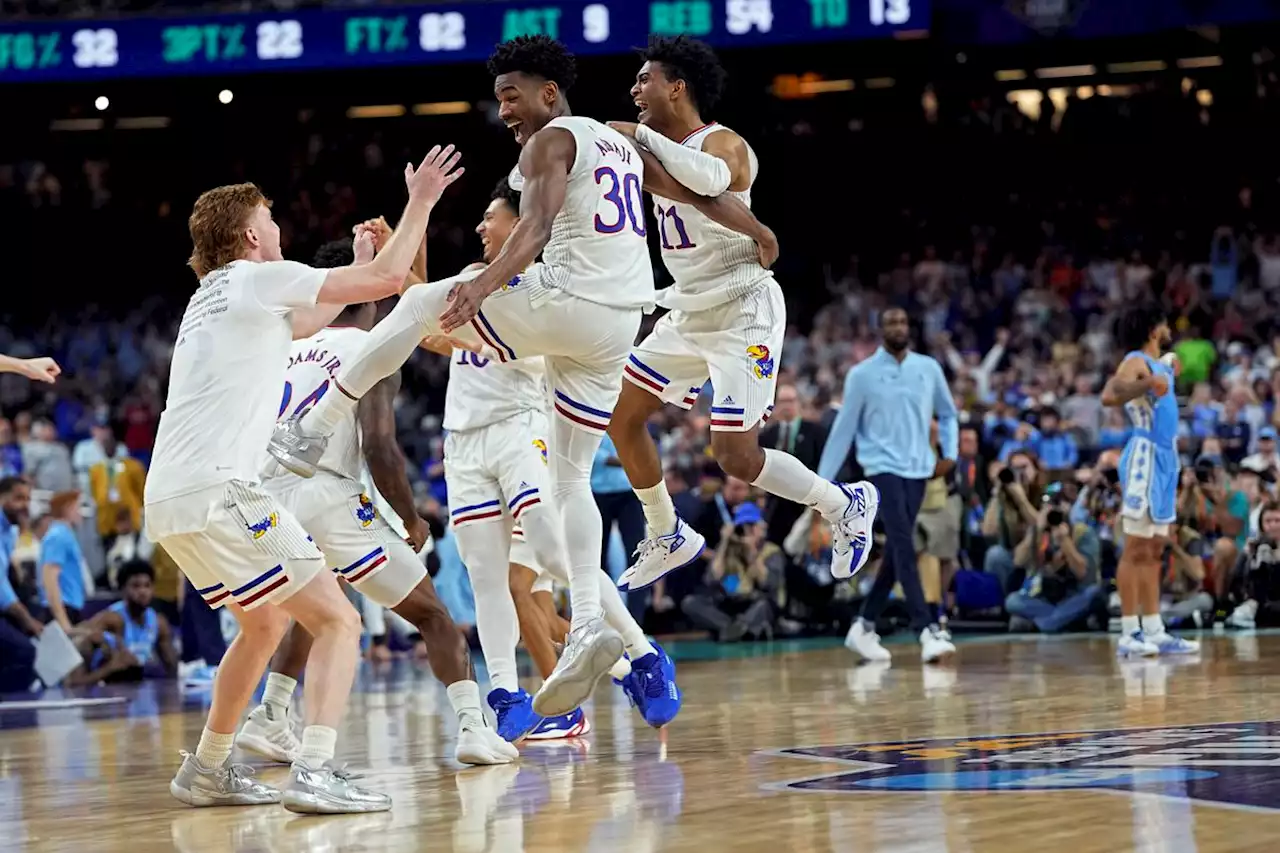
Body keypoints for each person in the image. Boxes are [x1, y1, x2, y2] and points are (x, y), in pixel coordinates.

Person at [268, 35, 772, 719]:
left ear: (549, 91)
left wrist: (482, 288)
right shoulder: (617, 141)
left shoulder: (551, 143)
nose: (503, 108)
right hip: (616, 325)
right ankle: (580, 633)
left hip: (564, 311)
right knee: (554, 498)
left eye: (512, 94)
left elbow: (531, 229)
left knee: (422, 304)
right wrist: (755, 229)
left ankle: (317, 424)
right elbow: (689, 189)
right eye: (498, 95)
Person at [145, 150, 461, 813]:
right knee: (339, 621)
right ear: (252, 236)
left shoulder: (213, 298)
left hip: (171, 497)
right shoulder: (255, 280)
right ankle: (315, 770)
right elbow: (385, 279)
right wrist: (422, 201)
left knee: (262, 626)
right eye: (270, 217)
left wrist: (353, 255)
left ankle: (206, 769)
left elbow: (325, 312)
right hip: (224, 488)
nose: (278, 224)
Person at [602, 36, 876, 592]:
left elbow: (709, 183)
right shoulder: (650, 149)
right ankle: (665, 530)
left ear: (677, 87)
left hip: (742, 305)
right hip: (689, 307)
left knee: (734, 455)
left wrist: (642, 139)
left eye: (644, 79)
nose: (633, 90)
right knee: (621, 417)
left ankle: (842, 503)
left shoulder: (725, 142)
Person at [234, 232, 515, 769]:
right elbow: (381, 446)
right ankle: (474, 728)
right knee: (432, 614)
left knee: (318, 603)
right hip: (326, 490)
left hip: (265, 498)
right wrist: (409, 518)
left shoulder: (285, 349)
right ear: (371, 294)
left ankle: (269, 715)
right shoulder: (369, 347)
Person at [419, 179, 679, 739]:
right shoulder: (472, 279)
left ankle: (643, 656)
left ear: (522, 224)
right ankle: (508, 695)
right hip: (462, 440)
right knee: (487, 575)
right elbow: (426, 324)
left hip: (522, 428)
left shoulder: (548, 288)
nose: (480, 227)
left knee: (557, 557)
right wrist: (412, 225)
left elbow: (440, 330)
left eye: (491, 217)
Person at [818, 307, 958, 663]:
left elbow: (948, 413)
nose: (899, 327)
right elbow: (844, 429)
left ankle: (863, 625)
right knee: (903, 542)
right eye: (892, 322)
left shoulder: (928, 368)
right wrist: (819, 484)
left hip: (920, 469)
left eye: (903, 321)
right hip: (880, 468)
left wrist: (952, 453)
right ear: (880, 330)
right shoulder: (861, 375)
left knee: (899, 550)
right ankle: (926, 629)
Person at [1101, 304, 1198, 657]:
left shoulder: (1158, 362)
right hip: (1144, 455)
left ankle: (1154, 629)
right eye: (1164, 323)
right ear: (1154, 329)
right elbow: (1109, 395)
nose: (1169, 327)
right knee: (1135, 547)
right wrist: (1148, 381)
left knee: (1156, 548)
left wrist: (1167, 367)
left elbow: (1163, 370)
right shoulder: (1134, 361)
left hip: (1166, 458)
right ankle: (1130, 632)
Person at [71, 561, 178, 681]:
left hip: (135, 682)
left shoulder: (159, 622)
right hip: (105, 684)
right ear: (123, 589)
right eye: (136, 586)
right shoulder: (111, 619)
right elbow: (73, 635)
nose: (142, 592)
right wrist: (111, 664)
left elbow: (172, 669)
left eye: (147, 586)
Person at [0, 476, 42, 692]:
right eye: (18, 498)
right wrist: (27, 621)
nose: (25, 505)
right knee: (24, 651)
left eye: (27, 499)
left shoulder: (10, 530)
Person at [38, 490, 88, 631]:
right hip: (63, 607)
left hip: (71, 605)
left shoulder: (65, 534)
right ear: (67, 508)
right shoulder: (58, 536)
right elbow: (50, 578)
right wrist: (63, 621)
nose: (80, 512)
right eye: (77, 507)